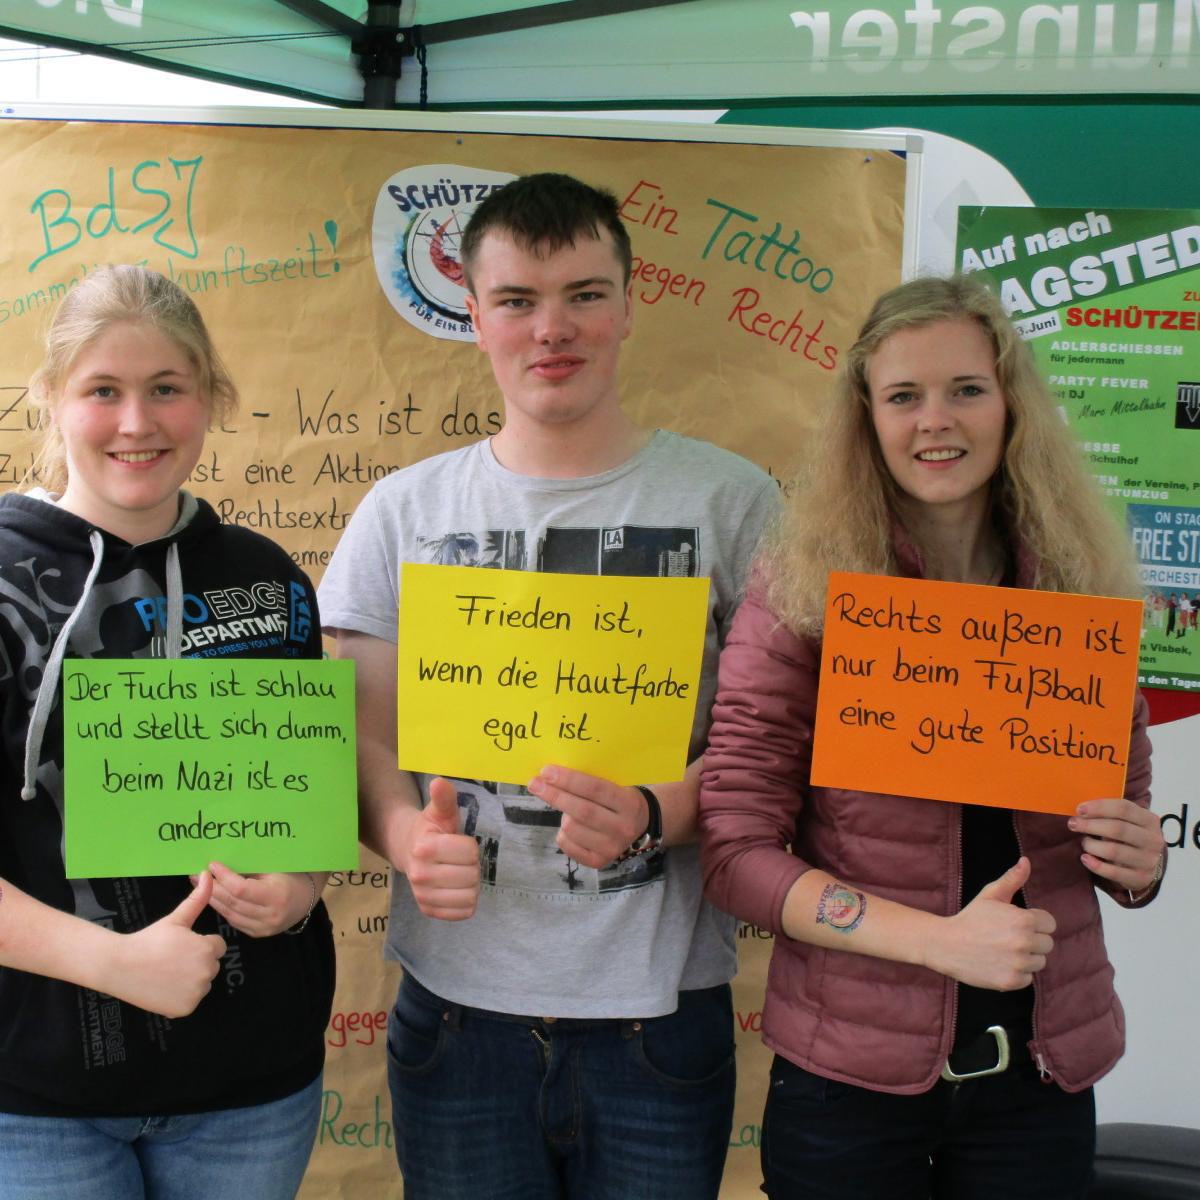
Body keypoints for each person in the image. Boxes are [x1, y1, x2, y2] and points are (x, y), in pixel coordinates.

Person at [318, 172, 777, 1200]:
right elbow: (361, 743)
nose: (551, 329)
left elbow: (780, 751)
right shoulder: (403, 513)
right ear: (473, 316)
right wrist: (402, 839)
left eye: (583, 294)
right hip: (457, 1013)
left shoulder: (734, 502)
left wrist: (662, 810)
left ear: (629, 302)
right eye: (518, 300)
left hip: (659, 1018)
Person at [699, 275, 1166, 1200]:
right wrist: (935, 942)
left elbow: (1126, 839)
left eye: (965, 389)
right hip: (847, 1088)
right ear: (865, 417)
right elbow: (733, 851)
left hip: (1041, 1081)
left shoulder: (1076, 589)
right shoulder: (803, 591)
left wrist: (1143, 860)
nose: (934, 421)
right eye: (903, 396)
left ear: (1010, 405)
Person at [0, 266, 335, 1200]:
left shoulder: (266, 578)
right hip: (34, 1100)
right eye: (102, 390)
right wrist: (112, 962)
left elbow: (302, 802)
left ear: (211, 398)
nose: (136, 423)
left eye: (166, 389)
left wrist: (301, 886)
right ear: (50, 397)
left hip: (251, 1092)